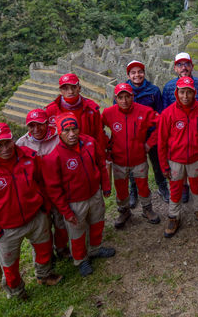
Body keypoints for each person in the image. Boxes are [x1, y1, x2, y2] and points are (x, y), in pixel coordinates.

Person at [0, 122, 62, 299]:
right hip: (6, 228)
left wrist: (44, 208)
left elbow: (42, 182)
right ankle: (16, 291)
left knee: (44, 250)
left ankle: (44, 275)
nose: (5, 149)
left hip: (36, 217)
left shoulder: (30, 157)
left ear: (12, 139)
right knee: (10, 266)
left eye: (7, 142)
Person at [42, 113, 115, 277]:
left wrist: (105, 186)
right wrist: (66, 211)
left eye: (74, 128)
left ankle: (95, 249)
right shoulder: (54, 157)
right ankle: (81, 259)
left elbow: (101, 164)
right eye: (66, 130)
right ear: (59, 133)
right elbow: (54, 188)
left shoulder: (89, 142)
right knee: (77, 233)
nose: (72, 134)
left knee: (97, 223)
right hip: (74, 202)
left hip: (94, 194)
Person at [157, 77, 198, 238]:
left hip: (195, 159)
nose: (185, 96)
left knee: (196, 187)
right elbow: (161, 142)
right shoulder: (168, 114)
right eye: (182, 92)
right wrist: (164, 166)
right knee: (175, 189)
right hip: (175, 160)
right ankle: (173, 217)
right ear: (176, 93)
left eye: (189, 92)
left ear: (194, 93)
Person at [103, 83, 160, 229]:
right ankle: (124, 211)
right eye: (120, 97)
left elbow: (161, 124)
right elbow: (98, 129)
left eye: (127, 96)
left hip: (139, 158)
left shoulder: (145, 111)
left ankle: (147, 209)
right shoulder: (108, 113)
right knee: (121, 187)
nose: (124, 100)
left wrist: (149, 144)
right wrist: (108, 145)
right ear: (115, 98)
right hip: (119, 160)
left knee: (143, 185)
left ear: (132, 97)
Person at [15, 109, 68, 258]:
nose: (36, 129)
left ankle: (62, 248)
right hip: (37, 195)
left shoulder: (58, 138)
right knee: (43, 227)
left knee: (61, 222)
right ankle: (47, 255)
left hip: (58, 190)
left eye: (40, 124)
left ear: (46, 123)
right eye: (31, 126)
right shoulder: (21, 143)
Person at [123, 60, 169, 205]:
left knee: (157, 162)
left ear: (144, 73)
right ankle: (134, 191)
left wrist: (153, 139)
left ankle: (162, 187)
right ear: (129, 75)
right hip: (133, 136)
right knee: (133, 166)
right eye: (133, 73)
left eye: (140, 72)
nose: (137, 75)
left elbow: (160, 115)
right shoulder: (123, 91)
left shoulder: (154, 90)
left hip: (151, 133)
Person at [45, 73, 107, 155]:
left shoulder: (92, 109)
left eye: (73, 87)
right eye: (65, 88)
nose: (70, 92)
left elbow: (99, 135)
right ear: (60, 91)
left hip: (87, 154)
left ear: (79, 88)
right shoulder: (51, 110)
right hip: (61, 156)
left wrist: (101, 158)